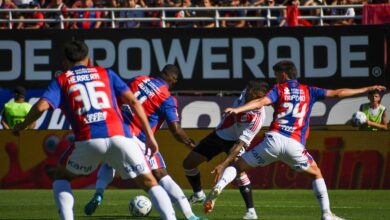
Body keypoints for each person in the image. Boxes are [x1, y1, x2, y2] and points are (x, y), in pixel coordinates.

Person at [12, 40, 177, 220]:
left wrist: (22, 125)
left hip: (88, 140)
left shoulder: (62, 80)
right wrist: (151, 137)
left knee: (61, 176)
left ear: (65, 63)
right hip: (121, 136)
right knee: (150, 182)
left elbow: (42, 106)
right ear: (88, 59)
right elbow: (134, 101)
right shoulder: (106, 73)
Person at [203, 60, 386, 220]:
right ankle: (326, 214)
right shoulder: (309, 90)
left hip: (272, 141)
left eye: (276, 75)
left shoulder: (279, 89)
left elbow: (260, 102)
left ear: (284, 75)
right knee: (316, 174)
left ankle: (218, 188)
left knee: (237, 167)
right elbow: (338, 92)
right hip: (294, 144)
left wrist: (238, 109)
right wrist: (367, 89)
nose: (275, 79)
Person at [84, 64, 201, 220]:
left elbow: (115, 98)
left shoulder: (138, 79)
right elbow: (175, 129)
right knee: (161, 175)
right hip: (140, 139)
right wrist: (190, 143)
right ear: (172, 79)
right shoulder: (167, 98)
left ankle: (99, 193)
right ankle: (190, 215)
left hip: (118, 131)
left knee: (109, 163)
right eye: (174, 81)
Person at [183, 80, 268, 220]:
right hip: (220, 134)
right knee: (188, 163)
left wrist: (223, 165)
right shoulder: (245, 93)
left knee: (239, 169)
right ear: (249, 91)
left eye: (260, 98)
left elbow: (240, 143)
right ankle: (198, 194)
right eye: (254, 95)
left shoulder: (258, 118)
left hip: (236, 142)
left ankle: (251, 211)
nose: (257, 99)